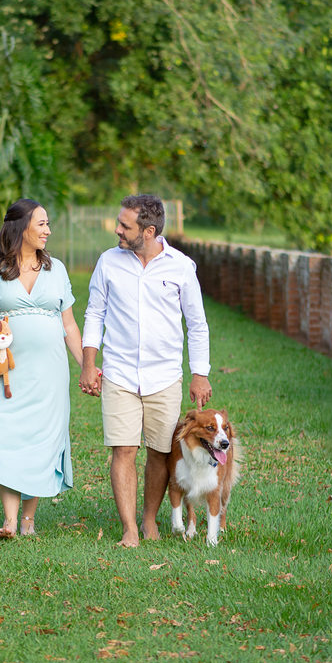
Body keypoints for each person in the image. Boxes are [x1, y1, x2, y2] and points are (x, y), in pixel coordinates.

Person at [79, 194, 212, 547]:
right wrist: (89, 364)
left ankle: (149, 519)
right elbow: (94, 314)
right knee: (123, 449)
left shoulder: (181, 267)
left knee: (158, 451)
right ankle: (129, 529)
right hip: (119, 372)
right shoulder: (108, 262)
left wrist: (200, 374)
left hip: (164, 376)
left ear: (149, 231)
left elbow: (196, 325)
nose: (117, 230)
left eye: (125, 225)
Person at [0, 199, 84, 539]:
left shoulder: (57, 270)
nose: (48, 231)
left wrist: (87, 365)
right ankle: (8, 521)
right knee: (5, 435)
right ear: (21, 228)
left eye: (48, 224)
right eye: (42, 224)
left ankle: (28, 521)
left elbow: (70, 325)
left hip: (49, 372)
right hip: (7, 374)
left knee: (42, 439)